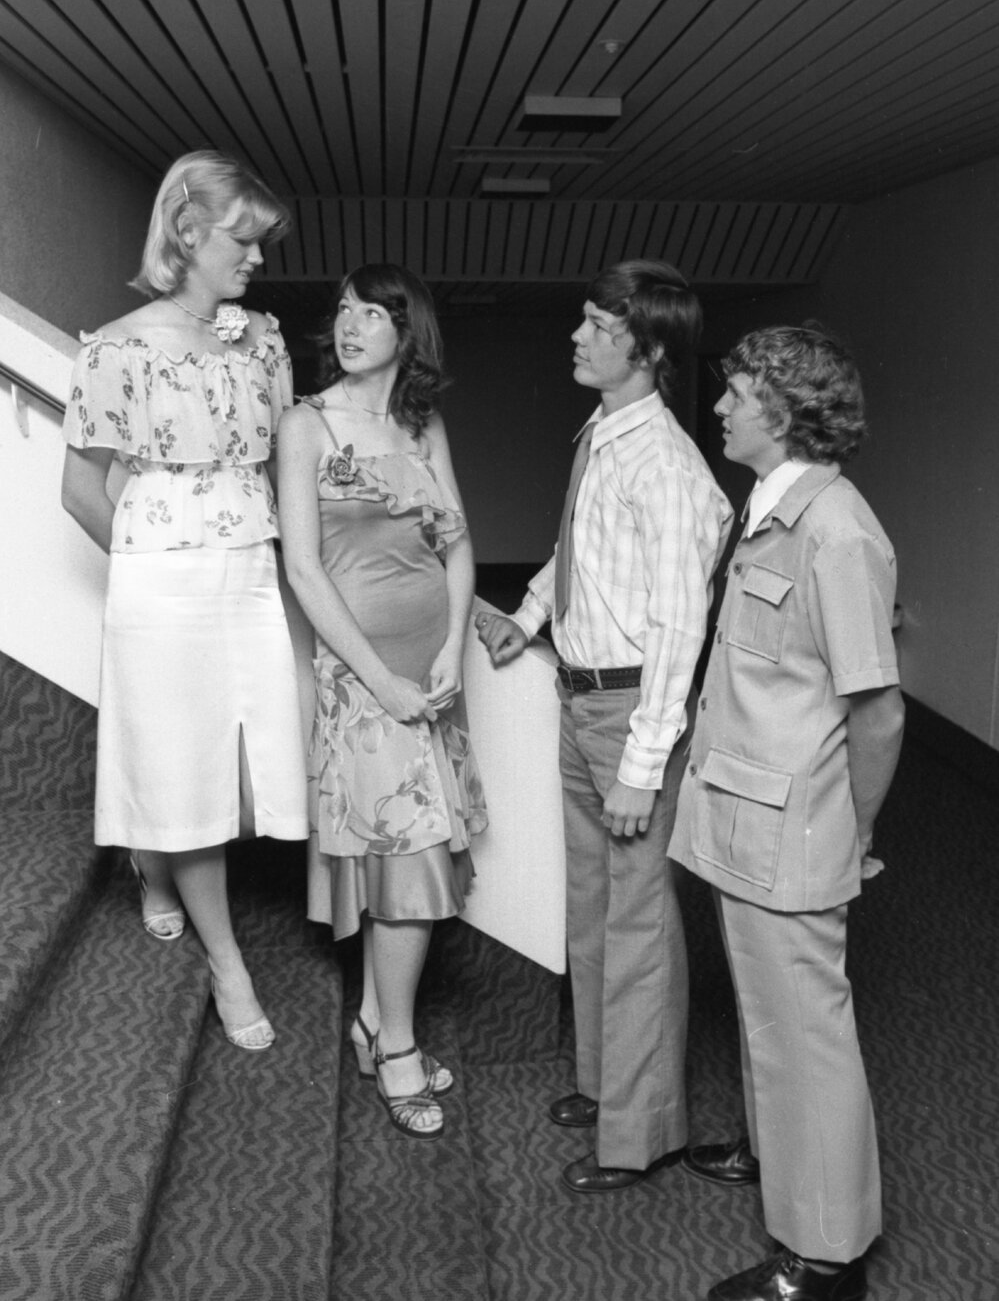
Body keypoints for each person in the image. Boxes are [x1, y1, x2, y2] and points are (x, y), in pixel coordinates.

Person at [476, 258, 732, 1192]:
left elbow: (679, 628)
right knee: (591, 911)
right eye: (582, 318)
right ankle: (603, 1084)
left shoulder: (665, 465)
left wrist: (643, 761)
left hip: (632, 713)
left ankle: (643, 1132)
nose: (576, 336)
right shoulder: (602, 433)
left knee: (637, 927)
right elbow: (576, 549)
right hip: (580, 698)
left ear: (649, 350)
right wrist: (529, 617)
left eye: (597, 325)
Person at [670, 325, 904, 1301]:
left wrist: (855, 828)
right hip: (747, 813)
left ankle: (826, 1253)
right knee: (768, 1012)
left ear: (785, 408)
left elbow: (877, 711)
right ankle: (777, 1155)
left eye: (736, 392)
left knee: (807, 1032)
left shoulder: (836, 531)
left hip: (794, 825)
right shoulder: (771, 506)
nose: (721, 406)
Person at [61, 149, 309, 1051]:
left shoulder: (263, 340)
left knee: (241, 766)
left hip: (250, 576)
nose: (257, 258)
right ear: (187, 231)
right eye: (243, 240)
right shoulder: (117, 347)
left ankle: (153, 855)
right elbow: (80, 490)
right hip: (164, 586)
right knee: (185, 765)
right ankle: (227, 961)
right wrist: (152, 567)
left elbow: (284, 470)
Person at [278, 262, 486, 1142]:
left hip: (429, 672)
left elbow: (458, 545)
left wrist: (450, 649)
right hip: (360, 675)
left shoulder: (421, 423)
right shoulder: (306, 423)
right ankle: (397, 1046)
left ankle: (372, 1024)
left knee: (411, 856)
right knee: (409, 861)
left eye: (373, 312)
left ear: (407, 332)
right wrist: (380, 679)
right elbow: (302, 568)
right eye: (343, 309)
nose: (351, 323)